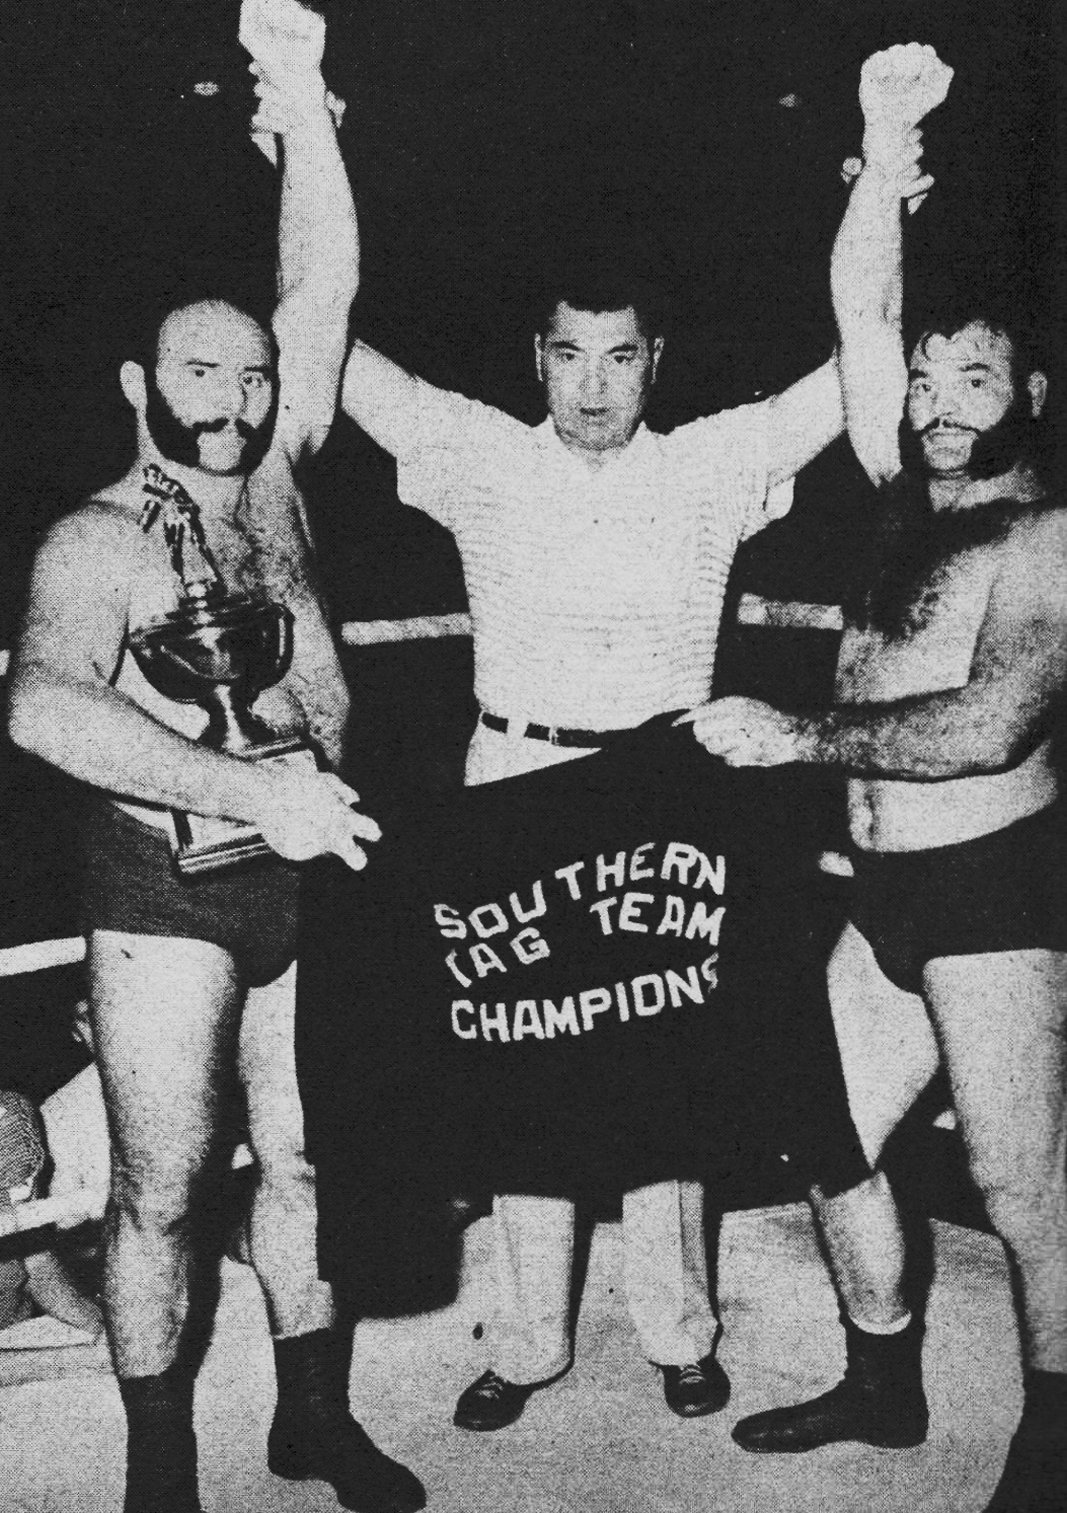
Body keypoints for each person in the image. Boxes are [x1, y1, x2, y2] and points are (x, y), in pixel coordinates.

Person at [338, 74, 928, 1432]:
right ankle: (531, 1336)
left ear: (658, 357)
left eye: (619, 356)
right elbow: (333, 350)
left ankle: (679, 1324)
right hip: (514, 785)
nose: (593, 385)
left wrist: (883, 167)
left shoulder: (717, 460)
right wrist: (303, 149)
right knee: (519, 1054)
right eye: (567, 355)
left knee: (667, 1059)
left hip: (668, 791)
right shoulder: (474, 451)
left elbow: (866, 353)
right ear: (534, 356)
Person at [7, 4, 424, 1512]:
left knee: (309, 1163)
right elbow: (45, 706)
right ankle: (157, 1468)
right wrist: (256, 788)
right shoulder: (98, 536)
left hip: (311, 875)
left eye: (249, 378)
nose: (235, 399)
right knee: (164, 1191)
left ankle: (311, 1413)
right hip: (165, 893)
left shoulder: (281, 477)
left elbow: (322, 283)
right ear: (142, 381)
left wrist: (302, 102)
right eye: (200, 373)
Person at [689, 44, 1066, 1513]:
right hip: (884, 888)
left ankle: (1051, 1441)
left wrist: (801, 738)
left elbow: (992, 723)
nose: (939, 398)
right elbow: (863, 310)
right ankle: (883, 1371)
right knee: (823, 1124)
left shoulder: (1043, 540)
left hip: (995, 891)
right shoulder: (905, 496)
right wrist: (882, 133)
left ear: (1029, 388)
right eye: (930, 379)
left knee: (1030, 1184)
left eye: (973, 377)